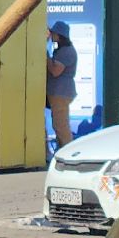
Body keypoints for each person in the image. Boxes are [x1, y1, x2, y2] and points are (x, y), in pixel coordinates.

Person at [47, 21, 79, 151]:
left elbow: (55, 71)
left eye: (53, 33)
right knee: (59, 124)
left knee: (61, 126)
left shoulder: (66, 51)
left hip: (60, 92)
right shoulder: (62, 50)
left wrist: (45, 55)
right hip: (59, 92)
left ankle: (69, 151)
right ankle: (62, 150)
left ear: (60, 35)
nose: (51, 35)